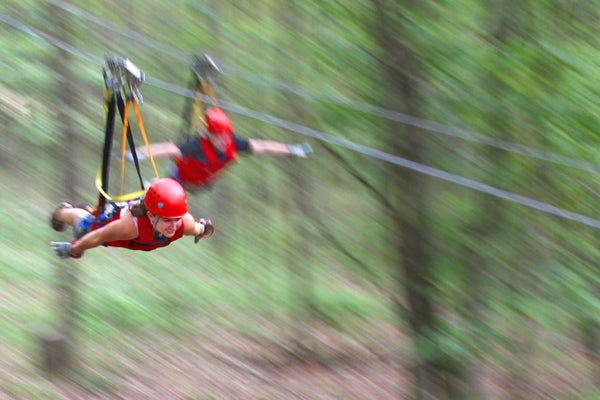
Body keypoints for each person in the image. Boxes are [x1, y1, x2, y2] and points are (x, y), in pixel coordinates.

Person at [128, 107, 312, 192]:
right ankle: (151, 186)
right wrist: (139, 153)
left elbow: (262, 146)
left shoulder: (233, 142)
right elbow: (169, 148)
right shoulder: (197, 145)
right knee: (161, 193)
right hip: (179, 177)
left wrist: (291, 150)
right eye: (218, 137)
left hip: (202, 184)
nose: (223, 141)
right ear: (209, 135)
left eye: (225, 136)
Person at [50, 178, 214, 259]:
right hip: (109, 223)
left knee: (87, 226)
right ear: (151, 216)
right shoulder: (130, 227)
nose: (173, 226)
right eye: (167, 221)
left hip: (126, 227)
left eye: (176, 219)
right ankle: (63, 210)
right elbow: (98, 236)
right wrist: (75, 249)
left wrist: (204, 229)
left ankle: (86, 209)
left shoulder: (183, 223)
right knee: (83, 228)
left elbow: (198, 228)